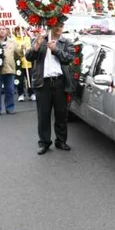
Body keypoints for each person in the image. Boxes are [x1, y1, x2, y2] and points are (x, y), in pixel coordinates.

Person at [25, 21, 75, 155]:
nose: (59, 28)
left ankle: (61, 141)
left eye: (61, 26)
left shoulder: (66, 42)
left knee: (61, 114)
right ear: (51, 27)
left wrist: (56, 50)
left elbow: (69, 58)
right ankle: (44, 142)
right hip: (43, 83)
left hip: (59, 82)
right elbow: (28, 57)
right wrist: (36, 47)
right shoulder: (40, 39)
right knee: (43, 114)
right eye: (57, 26)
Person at [0, 25, 24, 116]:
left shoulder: (12, 42)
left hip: (10, 69)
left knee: (10, 90)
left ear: (6, 31)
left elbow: (18, 54)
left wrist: (22, 49)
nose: (2, 31)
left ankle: (10, 108)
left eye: (3, 29)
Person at [14, 27, 35, 102]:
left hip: (28, 62)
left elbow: (32, 49)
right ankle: (21, 94)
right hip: (19, 63)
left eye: (21, 30)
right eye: (18, 30)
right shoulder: (14, 40)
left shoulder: (28, 38)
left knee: (29, 79)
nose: (20, 32)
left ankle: (31, 93)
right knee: (20, 79)